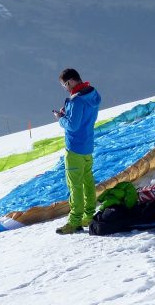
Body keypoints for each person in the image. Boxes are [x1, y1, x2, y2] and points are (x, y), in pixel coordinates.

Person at [52, 68, 101, 235]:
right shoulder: (92, 95)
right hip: (88, 146)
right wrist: (68, 112)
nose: (66, 88)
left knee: (75, 185)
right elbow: (82, 117)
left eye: (65, 85)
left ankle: (74, 221)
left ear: (71, 81)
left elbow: (72, 125)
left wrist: (61, 118)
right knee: (88, 182)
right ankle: (88, 216)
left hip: (74, 148)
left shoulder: (76, 101)